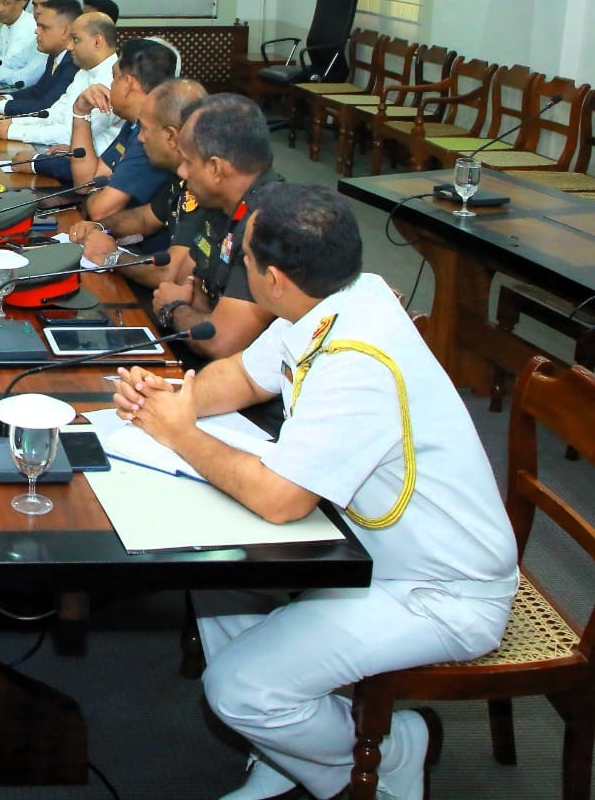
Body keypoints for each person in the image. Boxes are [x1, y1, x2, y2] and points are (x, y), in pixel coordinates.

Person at [113, 183, 517, 800]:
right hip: (365, 549)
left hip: (439, 590)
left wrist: (181, 438)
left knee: (237, 688)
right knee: (217, 572)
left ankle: (391, 749)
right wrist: (173, 401)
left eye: (245, 261)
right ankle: (290, 744)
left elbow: (282, 500)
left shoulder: (357, 358)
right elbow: (245, 376)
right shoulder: (339, 298)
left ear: (274, 277)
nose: (239, 268)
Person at [150, 93, 281, 361]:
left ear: (216, 169)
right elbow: (191, 288)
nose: (182, 173)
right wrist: (191, 307)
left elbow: (219, 341)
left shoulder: (270, 223)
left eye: (188, 162)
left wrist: (173, 308)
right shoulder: (219, 201)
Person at [69, 78, 207, 273]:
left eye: (145, 129)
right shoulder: (180, 176)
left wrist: (112, 257)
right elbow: (144, 219)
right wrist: (99, 227)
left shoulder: (206, 186)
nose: (140, 138)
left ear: (170, 136)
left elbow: (172, 274)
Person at [49, 38, 180, 222]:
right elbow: (86, 183)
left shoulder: (151, 136)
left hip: (137, 245)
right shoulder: (134, 124)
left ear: (128, 83)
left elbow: (99, 210)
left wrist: (95, 194)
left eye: (113, 78)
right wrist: (81, 112)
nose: (110, 86)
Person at [0, 11, 121, 154]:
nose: (69, 47)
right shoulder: (84, 72)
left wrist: (12, 131)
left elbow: (73, 133)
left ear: (97, 41)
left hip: (95, 168)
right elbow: (54, 114)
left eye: (76, 40)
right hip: (66, 154)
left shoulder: (114, 80)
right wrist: (11, 122)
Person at [0, 0, 82, 116]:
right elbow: (38, 91)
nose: (36, 31)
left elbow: (48, 106)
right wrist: (2, 98)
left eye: (43, 27)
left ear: (65, 31)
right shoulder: (55, 55)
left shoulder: (75, 62)